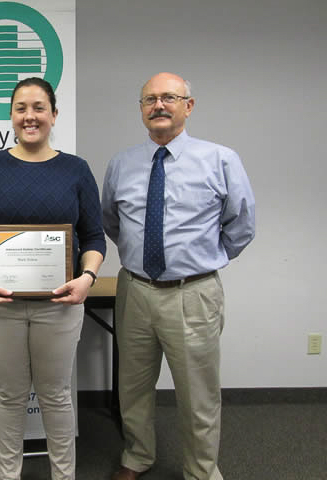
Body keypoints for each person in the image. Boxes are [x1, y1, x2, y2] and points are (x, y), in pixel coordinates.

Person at [102, 72, 255, 480]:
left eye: (169, 97)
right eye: (149, 99)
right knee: (133, 387)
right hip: (135, 289)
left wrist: (202, 260)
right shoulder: (121, 163)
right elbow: (112, 222)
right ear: (141, 110)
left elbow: (241, 224)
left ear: (189, 106)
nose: (159, 105)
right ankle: (138, 456)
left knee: (198, 394)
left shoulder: (220, 159)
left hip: (193, 293)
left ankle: (201, 471)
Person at [0, 77, 106, 480]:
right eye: (21, 108)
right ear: (11, 116)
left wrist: (88, 277)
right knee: (10, 396)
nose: (30, 116)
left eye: (39, 107)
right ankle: (8, 475)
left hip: (59, 306)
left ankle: (64, 475)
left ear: (54, 114)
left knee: (56, 395)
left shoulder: (76, 169)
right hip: (0, 306)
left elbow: (94, 237)